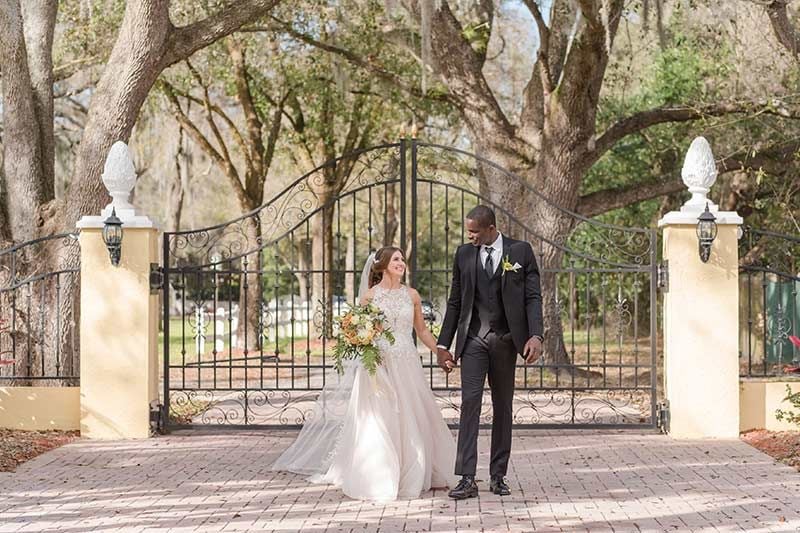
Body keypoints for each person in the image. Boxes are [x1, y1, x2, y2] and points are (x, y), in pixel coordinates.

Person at [271, 246, 457, 501]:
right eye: (396, 259)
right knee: (381, 418)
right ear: (382, 266)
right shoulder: (370, 296)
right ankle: (380, 474)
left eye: (402, 259)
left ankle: (415, 467)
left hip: (407, 363)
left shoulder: (411, 295)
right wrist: (369, 351)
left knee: (414, 414)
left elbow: (422, 331)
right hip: (378, 365)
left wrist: (441, 351)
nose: (401, 263)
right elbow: (361, 332)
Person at [436, 205, 544, 499]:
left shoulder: (520, 252)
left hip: (507, 340)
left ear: (490, 229)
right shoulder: (464, 254)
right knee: (470, 403)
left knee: (503, 406)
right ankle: (467, 478)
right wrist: (443, 345)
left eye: (474, 231)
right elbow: (455, 301)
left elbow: (533, 297)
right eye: (468, 231)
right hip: (473, 340)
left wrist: (536, 334)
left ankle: (498, 476)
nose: (469, 236)